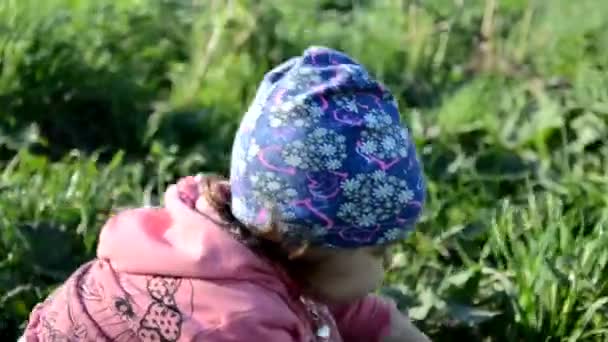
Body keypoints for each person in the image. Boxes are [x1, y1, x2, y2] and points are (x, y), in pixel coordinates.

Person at [21, 46, 430, 341]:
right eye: (380, 251)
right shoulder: (235, 324)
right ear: (306, 242)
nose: (390, 264)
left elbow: (355, 311)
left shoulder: (248, 243)